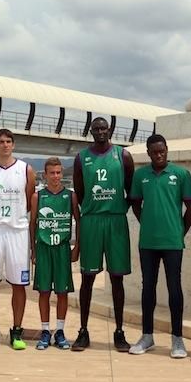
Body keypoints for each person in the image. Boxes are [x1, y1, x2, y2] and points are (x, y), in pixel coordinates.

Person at [128, 134, 191, 358]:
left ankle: (177, 340)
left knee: (174, 289)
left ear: (167, 150)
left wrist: (179, 231)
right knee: (148, 288)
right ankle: (147, 336)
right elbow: (136, 204)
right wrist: (148, 223)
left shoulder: (180, 174)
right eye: (155, 152)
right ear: (148, 153)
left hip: (172, 243)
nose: (159, 155)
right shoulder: (140, 176)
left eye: (162, 151)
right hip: (148, 242)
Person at [71, 117, 134, 352]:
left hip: (116, 220)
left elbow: (130, 188)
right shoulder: (81, 158)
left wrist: (120, 209)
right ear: (90, 131)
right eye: (96, 129)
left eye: (103, 128)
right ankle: (83, 331)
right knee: (87, 278)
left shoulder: (123, 156)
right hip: (92, 222)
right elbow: (80, 191)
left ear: (110, 130)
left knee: (117, 278)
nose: (100, 132)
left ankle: (119, 332)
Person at [0, 129, 36, 350]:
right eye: (1, 141)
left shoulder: (26, 169)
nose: (5, 145)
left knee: (18, 284)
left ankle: (17, 330)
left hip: (17, 231)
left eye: (8, 141)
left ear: (13, 144)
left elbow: (29, 201)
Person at [30, 157, 80, 350]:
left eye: (59, 172)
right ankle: (45, 330)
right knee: (44, 291)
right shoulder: (38, 197)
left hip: (62, 248)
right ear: (46, 174)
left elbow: (78, 220)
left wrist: (77, 247)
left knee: (62, 292)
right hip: (43, 248)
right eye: (52, 173)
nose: (56, 176)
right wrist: (33, 251)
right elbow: (32, 224)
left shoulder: (71, 196)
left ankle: (59, 331)